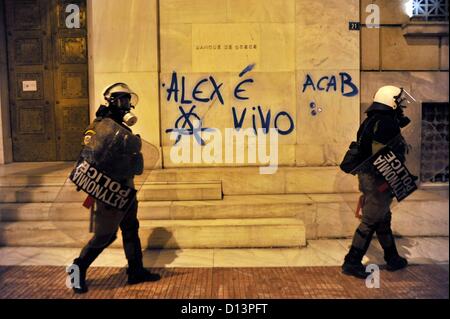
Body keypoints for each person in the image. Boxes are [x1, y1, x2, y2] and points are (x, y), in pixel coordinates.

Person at [69, 83, 160, 294]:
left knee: (131, 229)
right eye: (122, 101)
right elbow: (91, 155)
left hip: (125, 188)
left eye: (128, 101)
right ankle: (77, 268)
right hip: (107, 191)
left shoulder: (121, 127)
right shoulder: (100, 126)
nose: (126, 106)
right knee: (105, 235)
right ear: (111, 102)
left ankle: (136, 271)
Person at [342, 86, 413, 279]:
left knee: (382, 219)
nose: (401, 105)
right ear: (391, 101)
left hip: (370, 177)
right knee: (370, 221)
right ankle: (352, 262)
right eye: (398, 101)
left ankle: (393, 258)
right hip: (379, 180)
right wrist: (391, 181)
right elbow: (386, 156)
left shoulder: (371, 120)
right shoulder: (386, 123)